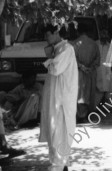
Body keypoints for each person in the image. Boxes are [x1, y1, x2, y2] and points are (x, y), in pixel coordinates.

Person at [39, 24, 78, 171]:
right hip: (54, 98)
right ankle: (60, 164)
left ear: (56, 33)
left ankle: (58, 165)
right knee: (53, 129)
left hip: (62, 98)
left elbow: (55, 68)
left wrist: (48, 59)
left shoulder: (67, 49)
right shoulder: (57, 49)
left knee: (60, 130)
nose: (46, 38)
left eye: (48, 34)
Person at [72, 24, 100, 122]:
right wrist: (90, 68)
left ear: (78, 32)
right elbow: (97, 59)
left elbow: (72, 60)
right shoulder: (94, 43)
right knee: (89, 93)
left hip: (78, 73)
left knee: (79, 93)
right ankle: (86, 115)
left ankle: (80, 116)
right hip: (90, 73)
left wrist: (82, 67)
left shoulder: (74, 44)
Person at [96, 30, 112, 108]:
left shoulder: (110, 46)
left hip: (107, 70)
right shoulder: (95, 44)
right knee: (97, 90)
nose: (104, 37)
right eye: (103, 35)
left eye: (105, 36)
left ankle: (108, 107)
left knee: (108, 89)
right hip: (97, 69)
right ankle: (95, 107)